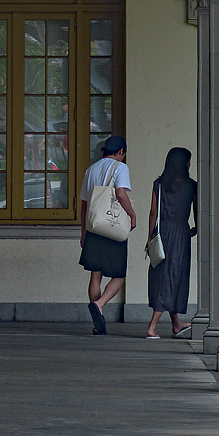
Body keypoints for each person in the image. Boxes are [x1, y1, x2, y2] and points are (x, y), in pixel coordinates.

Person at [79, 136, 136, 335]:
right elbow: (120, 194)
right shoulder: (120, 168)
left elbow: (84, 204)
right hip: (112, 226)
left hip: (94, 227)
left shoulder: (91, 170)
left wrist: (83, 232)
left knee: (96, 274)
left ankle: (98, 323)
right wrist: (132, 214)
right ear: (121, 151)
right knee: (119, 275)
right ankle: (100, 304)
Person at [145, 147, 198, 339]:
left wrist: (151, 236)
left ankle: (176, 323)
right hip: (181, 233)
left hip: (162, 231)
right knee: (173, 277)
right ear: (185, 164)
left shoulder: (159, 184)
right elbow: (197, 210)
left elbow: (153, 213)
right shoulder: (191, 185)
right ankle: (152, 326)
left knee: (164, 276)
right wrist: (197, 227)